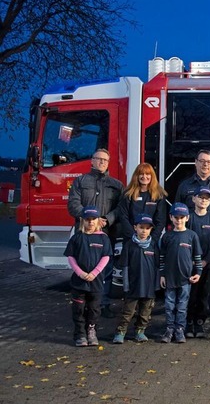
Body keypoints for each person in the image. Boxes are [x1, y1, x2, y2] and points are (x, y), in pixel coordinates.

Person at [67, 148, 123, 319]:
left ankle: (102, 304)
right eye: (98, 159)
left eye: (105, 160)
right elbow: (73, 205)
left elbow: (121, 208)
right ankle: (81, 304)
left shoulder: (116, 185)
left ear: (108, 162)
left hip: (105, 233)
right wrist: (91, 219)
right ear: (91, 161)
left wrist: (107, 219)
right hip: (83, 234)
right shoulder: (80, 182)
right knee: (82, 267)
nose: (101, 162)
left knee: (104, 271)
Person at [64, 206, 112, 347]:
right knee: (78, 310)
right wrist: (81, 273)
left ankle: (91, 332)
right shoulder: (77, 238)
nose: (90, 222)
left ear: (98, 220)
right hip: (79, 282)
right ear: (82, 221)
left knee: (94, 309)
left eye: (93, 219)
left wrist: (94, 273)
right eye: (88, 219)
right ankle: (80, 334)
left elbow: (106, 257)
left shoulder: (103, 238)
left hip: (95, 282)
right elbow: (71, 257)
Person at [159, 203, 202, 344]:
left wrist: (199, 273)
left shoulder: (192, 235)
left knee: (182, 306)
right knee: (169, 305)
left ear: (187, 218)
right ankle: (169, 329)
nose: (179, 220)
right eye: (176, 217)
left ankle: (180, 330)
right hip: (170, 278)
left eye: (182, 217)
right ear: (171, 217)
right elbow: (162, 257)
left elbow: (197, 257)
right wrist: (162, 275)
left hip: (186, 279)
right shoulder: (167, 236)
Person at [112, 214, 159, 344]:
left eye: (147, 228)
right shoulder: (129, 245)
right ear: (135, 227)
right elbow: (125, 266)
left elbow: (157, 266)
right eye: (141, 227)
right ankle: (120, 332)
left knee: (145, 312)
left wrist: (156, 285)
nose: (144, 231)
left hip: (149, 286)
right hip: (133, 286)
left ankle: (140, 331)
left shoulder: (153, 245)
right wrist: (126, 285)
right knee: (128, 312)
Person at [186, 187, 210, 337]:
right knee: (190, 294)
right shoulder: (188, 218)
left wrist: (206, 260)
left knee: (204, 294)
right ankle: (188, 322)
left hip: (207, 264)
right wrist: (192, 261)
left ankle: (200, 322)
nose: (203, 200)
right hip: (190, 264)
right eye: (200, 197)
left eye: (207, 198)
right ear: (193, 199)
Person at [174, 149, 210, 226]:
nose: (205, 164)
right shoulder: (185, 185)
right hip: (191, 233)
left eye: (209, 162)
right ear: (196, 162)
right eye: (202, 161)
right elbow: (176, 212)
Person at [117, 162, 167, 244]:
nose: (144, 177)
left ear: (152, 176)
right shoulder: (128, 194)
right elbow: (123, 217)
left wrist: (153, 239)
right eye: (141, 174)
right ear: (136, 176)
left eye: (147, 174)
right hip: (130, 240)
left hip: (151, 241)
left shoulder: (159, 196)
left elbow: (161, 221)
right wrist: (133, 236)